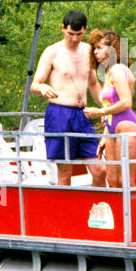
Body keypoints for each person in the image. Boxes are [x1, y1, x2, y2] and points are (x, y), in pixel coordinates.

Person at [30, 10, 104, 186]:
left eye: (79, 34)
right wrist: (42, 87)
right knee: (65, 172)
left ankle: (96, 208)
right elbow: (35, 85)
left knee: (100, 169)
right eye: (71, 34)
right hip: (60, 113)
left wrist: (105, 109)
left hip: (83, 114)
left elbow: (93, 83)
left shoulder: (88, 51)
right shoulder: (52, 52)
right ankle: (64, 212)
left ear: (85, 30)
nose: (75, 38)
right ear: (63, 28)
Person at [83, 29, 136, 188]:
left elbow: (126, 103)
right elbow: (111, 107)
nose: (96, 52)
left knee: (125, 181)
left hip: (127, 127)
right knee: (113, 180)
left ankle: (133, 212)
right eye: (94, 48)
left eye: (100, 48)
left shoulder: (117, 70)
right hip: (112, 128)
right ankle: (117, 212)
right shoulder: (109, 72)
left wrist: (100, 112)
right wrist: (105, 134)